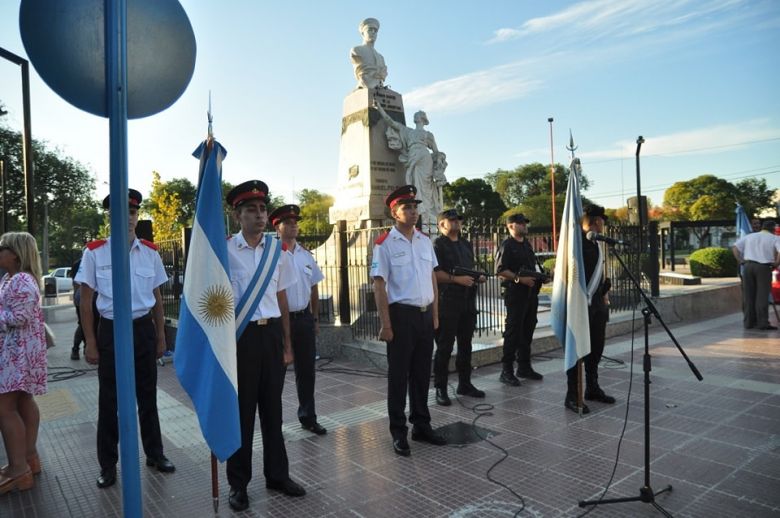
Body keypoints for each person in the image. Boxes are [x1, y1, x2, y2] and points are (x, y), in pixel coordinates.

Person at [76, 189, 174, 489]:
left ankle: (155, 454)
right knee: (110, 401)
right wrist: (90, 342)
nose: (128, 219)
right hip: (111, 331)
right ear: (110, 217)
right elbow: (86, 300)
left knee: (148, 396)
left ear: (136, 216)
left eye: (132, 213)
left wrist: (160, 337)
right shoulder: (95, 252)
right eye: (121, 213)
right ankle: (108, 465)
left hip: (143, 329)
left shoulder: (150, 252)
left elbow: (157, 298)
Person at [225, 181, 305, 512]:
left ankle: (277, 475)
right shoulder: (224, 251)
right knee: (241, 416)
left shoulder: (277, 252)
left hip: (271, 336)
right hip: (240, 340)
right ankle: (238, 484)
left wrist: (287, 344)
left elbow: (282, 297)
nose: (258, 215)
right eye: (251, 210)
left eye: (261, 210)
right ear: (237, 215)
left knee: (273, 412)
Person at [371, 185, 446, 457]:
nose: (413, 212)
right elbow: (380, 285)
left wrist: (435, 315)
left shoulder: (425, 241)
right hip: (401, 316)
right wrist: (386, 324)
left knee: (422, 374)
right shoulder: (385, 244)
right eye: (407, 208)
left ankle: (421, 424)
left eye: (415, 207)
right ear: (395, 212)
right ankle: (398, 431)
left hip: (425, 315)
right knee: (398, 377)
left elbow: (432, 281)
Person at [270, 204, 327, 435]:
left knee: (307, 372)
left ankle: (308, 416)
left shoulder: (305, 255)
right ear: (277, 227)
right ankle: (274, 421)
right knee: (277, 374)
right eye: (288, 222)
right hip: (277, 321)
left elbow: (313, 286)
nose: (294, 226)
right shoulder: (272, 253)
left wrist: (314, 318)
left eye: (296, 222)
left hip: (302, 319)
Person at [0, 232, 46, 494]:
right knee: (22, 400)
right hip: (17, 351)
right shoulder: (11, 279)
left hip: (17, 353)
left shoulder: (20, 280)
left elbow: (19, 317)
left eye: (1, 248)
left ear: (14, 254)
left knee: (4, 408)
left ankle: (19, 469)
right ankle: (28, 460)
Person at [565, 205, 616, 414]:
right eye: (602, 220)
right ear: (596, 221)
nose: (603, 224)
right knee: (577, 351)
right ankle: (572, 395)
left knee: (596, 349)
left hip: (596, 304)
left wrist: (604, 293)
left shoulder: (595, 242)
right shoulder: (576, 244)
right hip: (579, 305)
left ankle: (592, 388)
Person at [432, 209, 486, 406]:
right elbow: (435, 274)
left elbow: (469, 270)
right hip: (448, 302)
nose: (456, 222)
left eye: (458, 220)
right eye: (451, 219)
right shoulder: (437, 245)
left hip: (467, 301)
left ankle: (465, 383)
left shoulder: (465, 244)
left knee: (466, 345)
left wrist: (477, 277)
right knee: (445, 347)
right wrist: (457, 279)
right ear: (441, 224)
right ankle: (441, 388)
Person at [374, 101, 446, 229]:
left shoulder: (428, 135)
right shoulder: (408, 131)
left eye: (419, 115)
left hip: (425, 159)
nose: (416, 116)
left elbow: (436, 152)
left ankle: (427, 217)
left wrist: (439, 164)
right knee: (414, 183)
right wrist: (379, 108)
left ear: (423, 119)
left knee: (426, 187)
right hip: (413, 158)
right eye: (416, 115)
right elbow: (390, 121)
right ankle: (421, 215)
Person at [495, 213, 547, 386]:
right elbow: (500, 270)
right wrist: (519, 279)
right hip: (515, 294)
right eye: (521, 223)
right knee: (513, 332)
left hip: (530, 295)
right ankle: (506, 370)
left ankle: (524, 367)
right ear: (511, 226)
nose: (525, 226)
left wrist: (541, 277)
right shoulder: (507, 245)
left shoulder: (526, 245)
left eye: (525, 223)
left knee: (527, 330)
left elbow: (530, 268)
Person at [732, 220, 780, 330]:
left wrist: (740, 261)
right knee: (762, 296)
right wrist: (777, 263)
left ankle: (748, 323)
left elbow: (735, 248)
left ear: (763, 227)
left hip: (748, 267)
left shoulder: (750, 236)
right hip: (763, 268)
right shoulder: (775, 238)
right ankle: (762, 323)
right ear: (773, 228)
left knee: (748, 296)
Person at [350, 17, 387, 90]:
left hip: (380, 88)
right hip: (365, 85)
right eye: (370, 30)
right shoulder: (356, 51)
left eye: (375, 30)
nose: (373, 32)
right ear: (363, 33)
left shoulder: (381, 58)